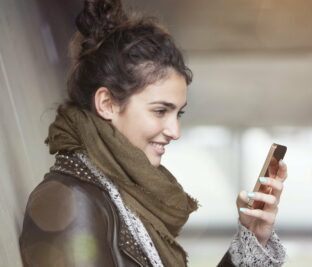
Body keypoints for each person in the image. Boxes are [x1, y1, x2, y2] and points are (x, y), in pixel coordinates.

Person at [19, 0, 287, 266]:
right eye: (160, 111)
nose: (175, 131)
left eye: (177, 114)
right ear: (107, 104)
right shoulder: (69, 201)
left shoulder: (123, 198)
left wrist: (253, 237)